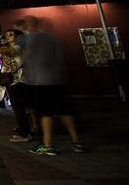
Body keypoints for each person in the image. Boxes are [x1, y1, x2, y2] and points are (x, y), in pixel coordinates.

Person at [16, 16, 84, 155]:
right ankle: (76, 142)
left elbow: (20, 54)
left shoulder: (27, 40)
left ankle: (48, 145)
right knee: (65, 112)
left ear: (28, 26)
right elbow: (60, 59)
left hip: (41, 82)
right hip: (58, 80)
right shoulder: (51, 39)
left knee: (45, 113)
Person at [0, 28, 34, 142]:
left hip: (19, 80)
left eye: (11, 35)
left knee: (20, 108)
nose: (8, 37)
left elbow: (0, 50)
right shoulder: (7, 47)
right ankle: (25, 130)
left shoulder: (18, 47)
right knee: (18, 108)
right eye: (7, 35)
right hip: (12, 81)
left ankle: (25, 134)